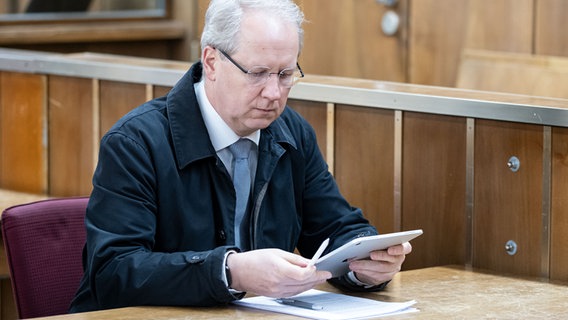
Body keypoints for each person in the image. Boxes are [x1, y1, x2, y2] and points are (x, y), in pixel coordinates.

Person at [69, 0, 412, 313]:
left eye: (285, 74)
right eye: (258, 73)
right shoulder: (136, 142)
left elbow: (335, 228)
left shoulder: (292, 132)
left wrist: (366, 264)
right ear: (212, 62)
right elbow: (114, 272)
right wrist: (231, 272)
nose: (274, 93)